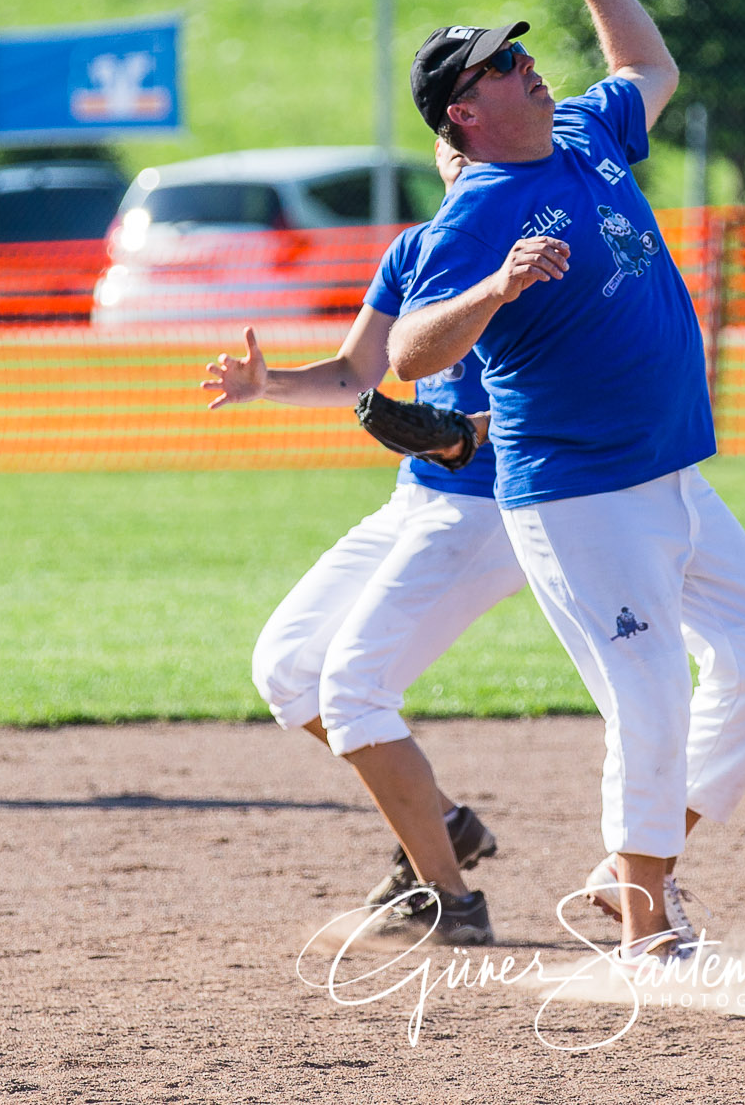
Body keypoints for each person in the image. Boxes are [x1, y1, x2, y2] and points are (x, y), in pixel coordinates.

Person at [388, 0, 745, 960]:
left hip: (666, 473)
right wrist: (497, 288)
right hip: (577, 493)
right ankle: (651, 933)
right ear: (464, 116)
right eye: (496, 63)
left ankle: (628, 874)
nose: (523, 61)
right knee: (650, 691)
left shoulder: (581, 135)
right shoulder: (480, 209)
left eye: (515, 50)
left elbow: (648, 68)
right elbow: (406, 349)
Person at [201, 141, 523, 947]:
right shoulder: (414, 251)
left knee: (353, 687)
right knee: (286, 668)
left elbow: (572, 391)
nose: (463, 157)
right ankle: (444, 827)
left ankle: (450, 898)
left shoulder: (532, 249)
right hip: (419, 498)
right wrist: (268, 385)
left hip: (493, 511)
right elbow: (356, 373)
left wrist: (468, 431)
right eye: (452, 144)